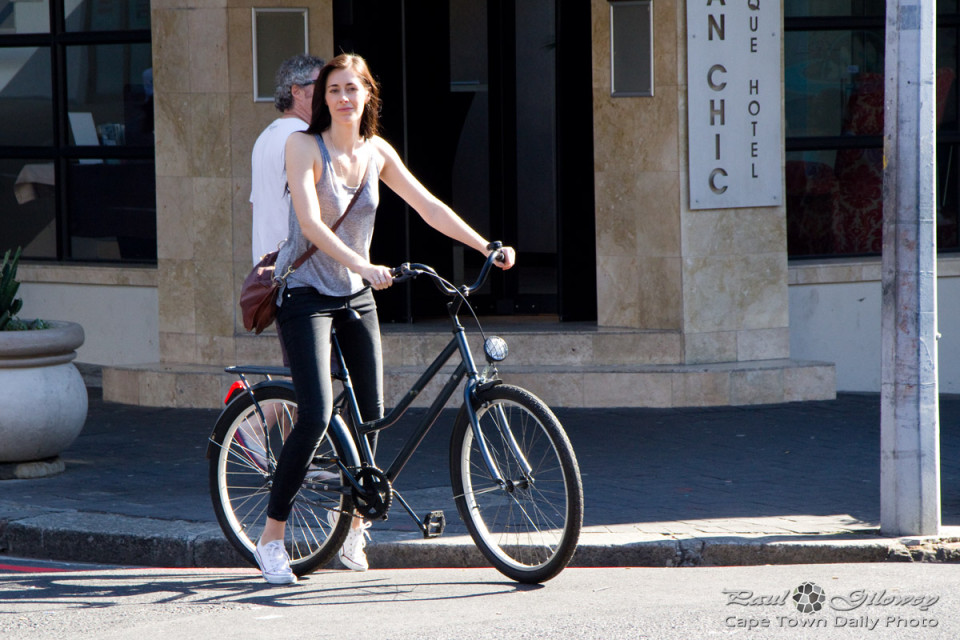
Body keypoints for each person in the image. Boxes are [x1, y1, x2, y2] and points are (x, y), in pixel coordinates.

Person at [252, 53, 516, 585]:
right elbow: (310, 222)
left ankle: (354, 526)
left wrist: (484, 245)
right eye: (333, 90)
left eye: (352, 88)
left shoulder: (376, 151)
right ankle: (271, 537)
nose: (343, 98)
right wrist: (363, 265)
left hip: (356, 296)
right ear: (322, 98)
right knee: (316, 413)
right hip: (305, 294)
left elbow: (428, 206)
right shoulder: (302, 145)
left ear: (368, 93)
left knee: (371, 415)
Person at [250, 54, 325, 266]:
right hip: (299, 269)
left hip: (268, 268)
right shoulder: (304, 137)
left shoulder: (265, 135)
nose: (329, 91)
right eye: (321, 84)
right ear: (296, 91)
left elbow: (255, 205)